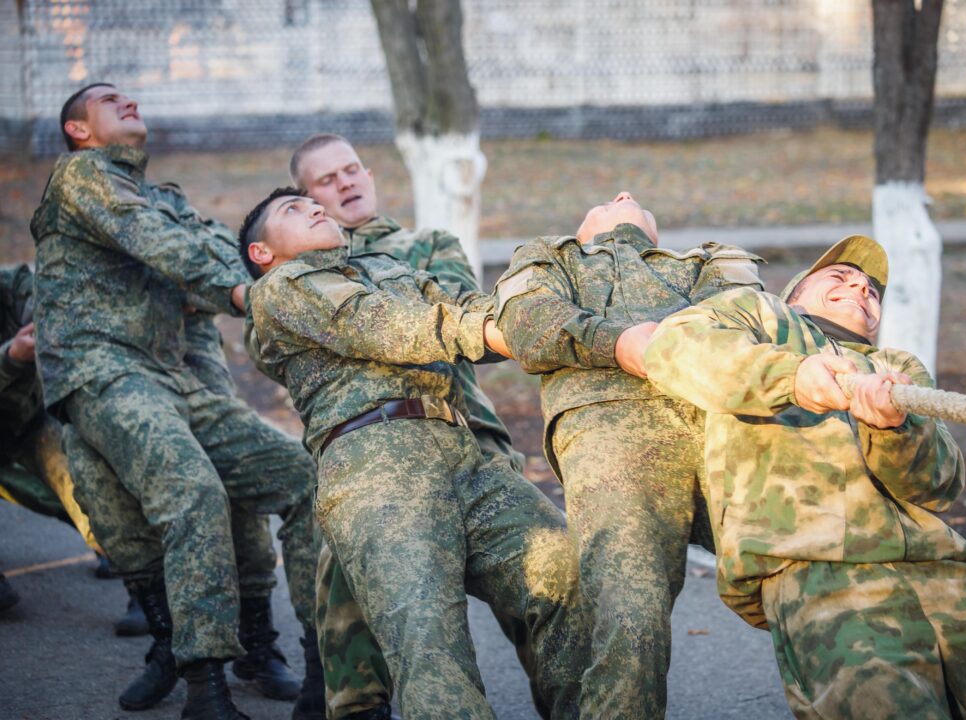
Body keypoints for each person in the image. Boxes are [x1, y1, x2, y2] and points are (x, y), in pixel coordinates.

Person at [643, 235, 966, 718]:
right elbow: (674, 348)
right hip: (818, 571)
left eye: (871, 290)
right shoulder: (758, 318)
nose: (860, 288)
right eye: (839, 276)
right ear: (794, 294)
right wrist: (794, 377)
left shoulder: (896, 367)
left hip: (949, 572)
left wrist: (892, 428)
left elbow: (937, 485)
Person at [31, 83, 320, 720]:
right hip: (102, 368)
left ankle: (323, 664)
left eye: (129, 96)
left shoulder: (162, 198)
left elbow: (211, 248)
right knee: (187, 493)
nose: (128, 101)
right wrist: (248, 295)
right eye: (108, 99)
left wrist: (249, 281)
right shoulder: (82, 176)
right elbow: (164, 247)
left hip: (173, 374)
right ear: (78, 129)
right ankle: (203, 686)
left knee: (302, 476)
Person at [242, 188, 584, 719]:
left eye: (314, 204)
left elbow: (464, 304)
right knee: (431, 647)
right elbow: (383, 325)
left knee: (565, 571)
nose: (314, 207)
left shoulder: (384, 267)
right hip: (375, 466)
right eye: (293, 209)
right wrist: (495, 329)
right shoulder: (279, 290)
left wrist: (542, 303)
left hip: (463, 453)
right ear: (262, 252)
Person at [290, 132, 535, 720]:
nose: (346, 183)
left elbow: (457, 309)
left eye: (352, 170)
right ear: (306, 200)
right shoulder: (299, 274)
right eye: (326, 180)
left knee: (538, 571)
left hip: (463, 427)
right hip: (368, 445)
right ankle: (350, 699)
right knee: (343, 552)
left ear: (370, 175)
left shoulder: (426, 244)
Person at [493, 192, 762, 717]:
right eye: (609, 198)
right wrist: (620, 343)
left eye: (633, 197)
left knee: (817, 577)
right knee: (630, 623)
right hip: (611, 439)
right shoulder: (551, 257)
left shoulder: (711, 258)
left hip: (727, 428)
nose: (624, 196)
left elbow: (742, 323)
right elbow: (529, 324)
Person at [0, 262, 104, 616]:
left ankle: (129, 568)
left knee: (79, 482)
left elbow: (52, 304)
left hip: (29, 419)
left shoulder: (15, 285)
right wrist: (10, 358)